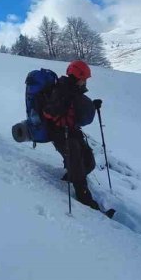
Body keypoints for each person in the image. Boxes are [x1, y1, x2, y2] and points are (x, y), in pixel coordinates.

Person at [41, 60, 103, 211]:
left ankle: (69, 178)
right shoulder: (61, 90)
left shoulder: (73, 90)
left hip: (73, 131)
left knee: (89, 162)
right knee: (77, 164)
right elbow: (49, 111)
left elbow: (76, 111)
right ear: (77, 76)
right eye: (84, 78)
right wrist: (61, 109)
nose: (85, 81)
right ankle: (85, 199)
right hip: (61, 134)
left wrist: (91, 106)